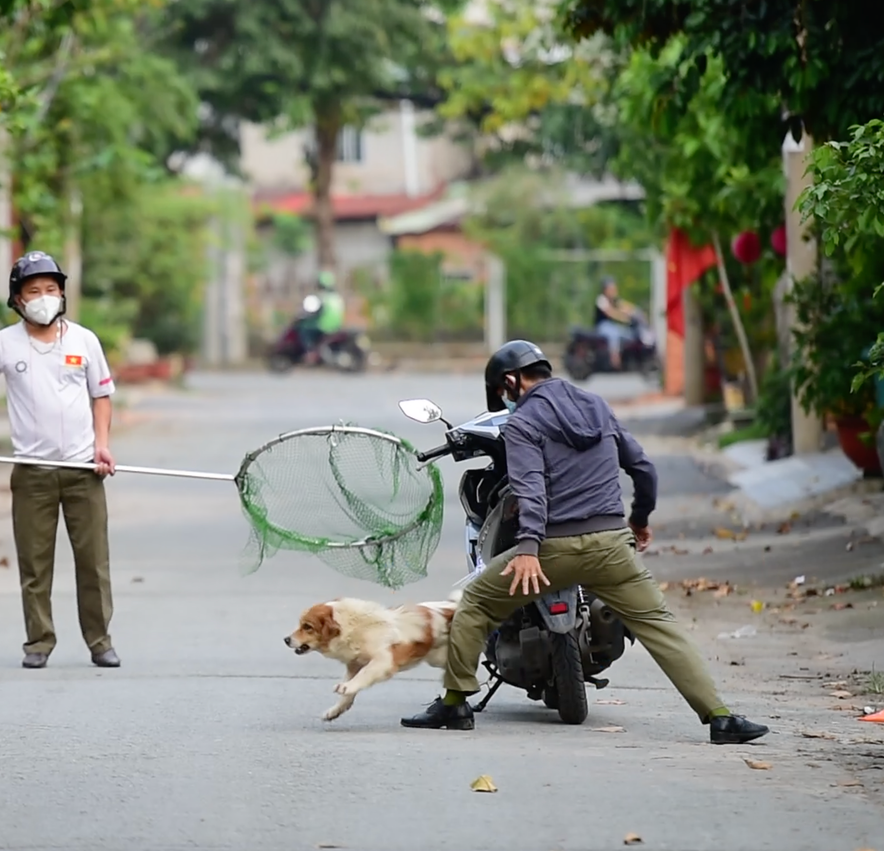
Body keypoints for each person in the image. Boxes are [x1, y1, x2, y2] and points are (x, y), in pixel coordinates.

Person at [401, 340, 769, 745]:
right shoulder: (596, 406)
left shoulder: (523, 423)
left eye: (505, 393)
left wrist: (526, 549)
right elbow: (643, 469)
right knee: (659, 625)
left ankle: (455, 704)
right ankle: (720, 717)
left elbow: (529, 491)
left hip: (552, 550)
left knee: (476, 602)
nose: (507, 401)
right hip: (612, 546)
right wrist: (639, 520)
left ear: (511, 381)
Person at [0, 250, 121, 671]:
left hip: (84, 471)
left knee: (93, 563)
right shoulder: (1, 344)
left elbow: (101, 396)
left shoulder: (84, 341)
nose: (44, 297)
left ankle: (100, 641)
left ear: (63, 294)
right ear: (17, 299)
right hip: (32, 473)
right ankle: (38, 642)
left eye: (51, 289)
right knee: (35, 565)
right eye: (34, 291)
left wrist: (101, 444)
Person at [299, 270, 345, 364]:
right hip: (337, 327)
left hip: (323, 326)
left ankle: (310, 353)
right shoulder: (337, 297)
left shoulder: (322, 297)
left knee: (304, 330)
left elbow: (314, 312)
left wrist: (303, 317)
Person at [594, 276, 631, 371]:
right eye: (611, 289)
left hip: (611, 325)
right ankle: (615, 358)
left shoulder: (615, 299)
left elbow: (625, 307)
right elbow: (610, 312)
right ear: (605, 289)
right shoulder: (601, 300)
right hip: (603, 325)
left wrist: (634, 312)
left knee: (627, 333)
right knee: (614, 334)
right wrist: (623, 318)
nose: (613, 291)